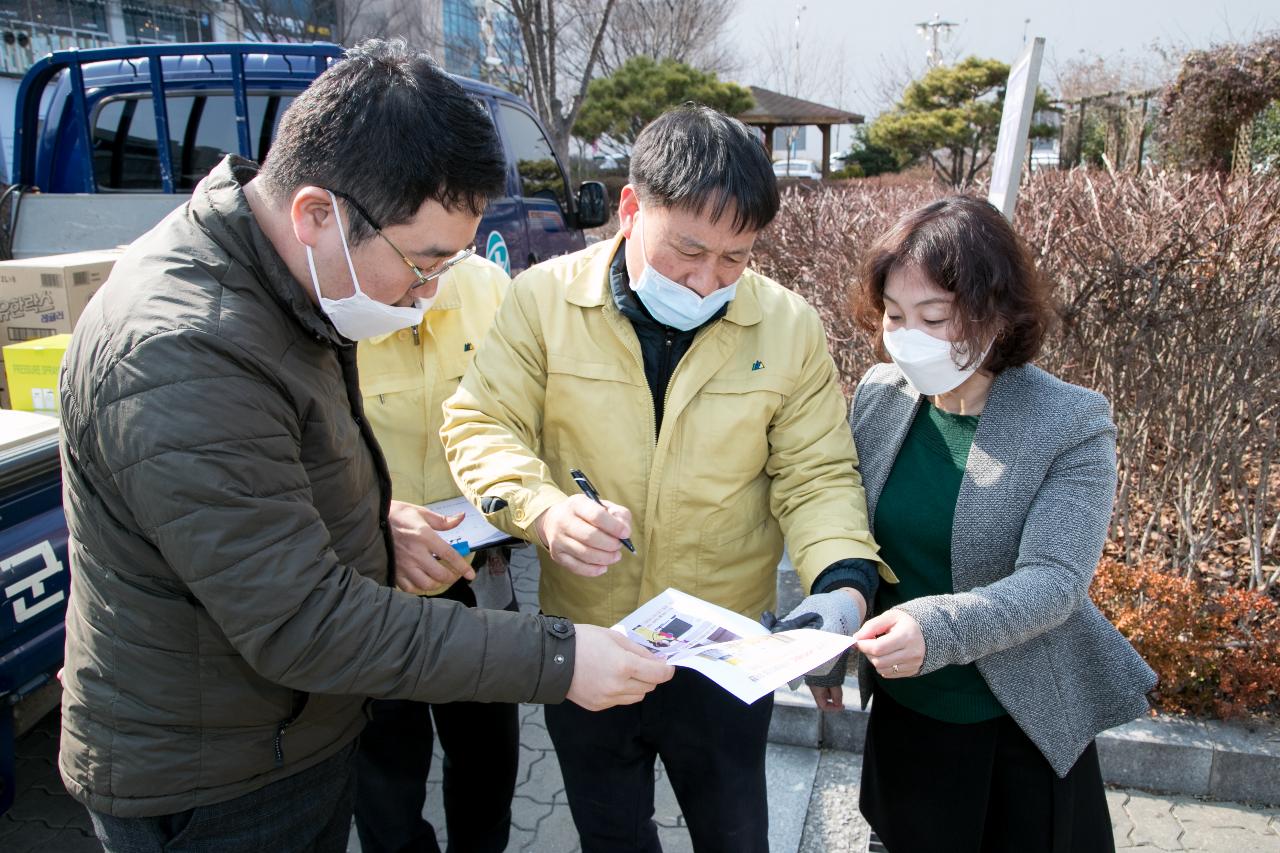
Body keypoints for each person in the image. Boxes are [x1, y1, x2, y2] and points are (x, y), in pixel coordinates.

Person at [57, 39, 672, 853]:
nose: (429, 296)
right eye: (423, 265)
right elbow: (304, 620)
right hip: (214, 778)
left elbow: (271, 481)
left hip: (276, 733)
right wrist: (560, 658)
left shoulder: (282, 276)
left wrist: (376, 522)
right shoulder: (185, 350)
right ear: (318, 213)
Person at [440, 105, 887, 853]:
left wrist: (843, 581)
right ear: (628, 207)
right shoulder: (542, 300)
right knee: (610, 832)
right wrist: (543, 510)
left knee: (734, 833)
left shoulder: (787, 327)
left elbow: (817, 474)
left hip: (723, 649)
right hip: (587, 638)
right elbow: (480, 422)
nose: (707, 278)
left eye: (735, 258)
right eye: (687, 248)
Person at [826, 196, 1156, 851]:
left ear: (995, 315)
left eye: (934, 317)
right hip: (908, 711)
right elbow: (846, 530)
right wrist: (826, 638)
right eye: (894, 315)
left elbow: (1055, 580)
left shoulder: (1069, 421)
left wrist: (937, 626)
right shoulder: (878, 395)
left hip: (1019, 722)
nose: (906, 336)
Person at [353, 253, 524, 853]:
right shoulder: (332, 293)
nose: (427, 280)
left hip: (477, 572)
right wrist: (376, 522)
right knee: (386, 776)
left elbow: (523, 410)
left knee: (489, 758)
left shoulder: (488, 286)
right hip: (371, 582)